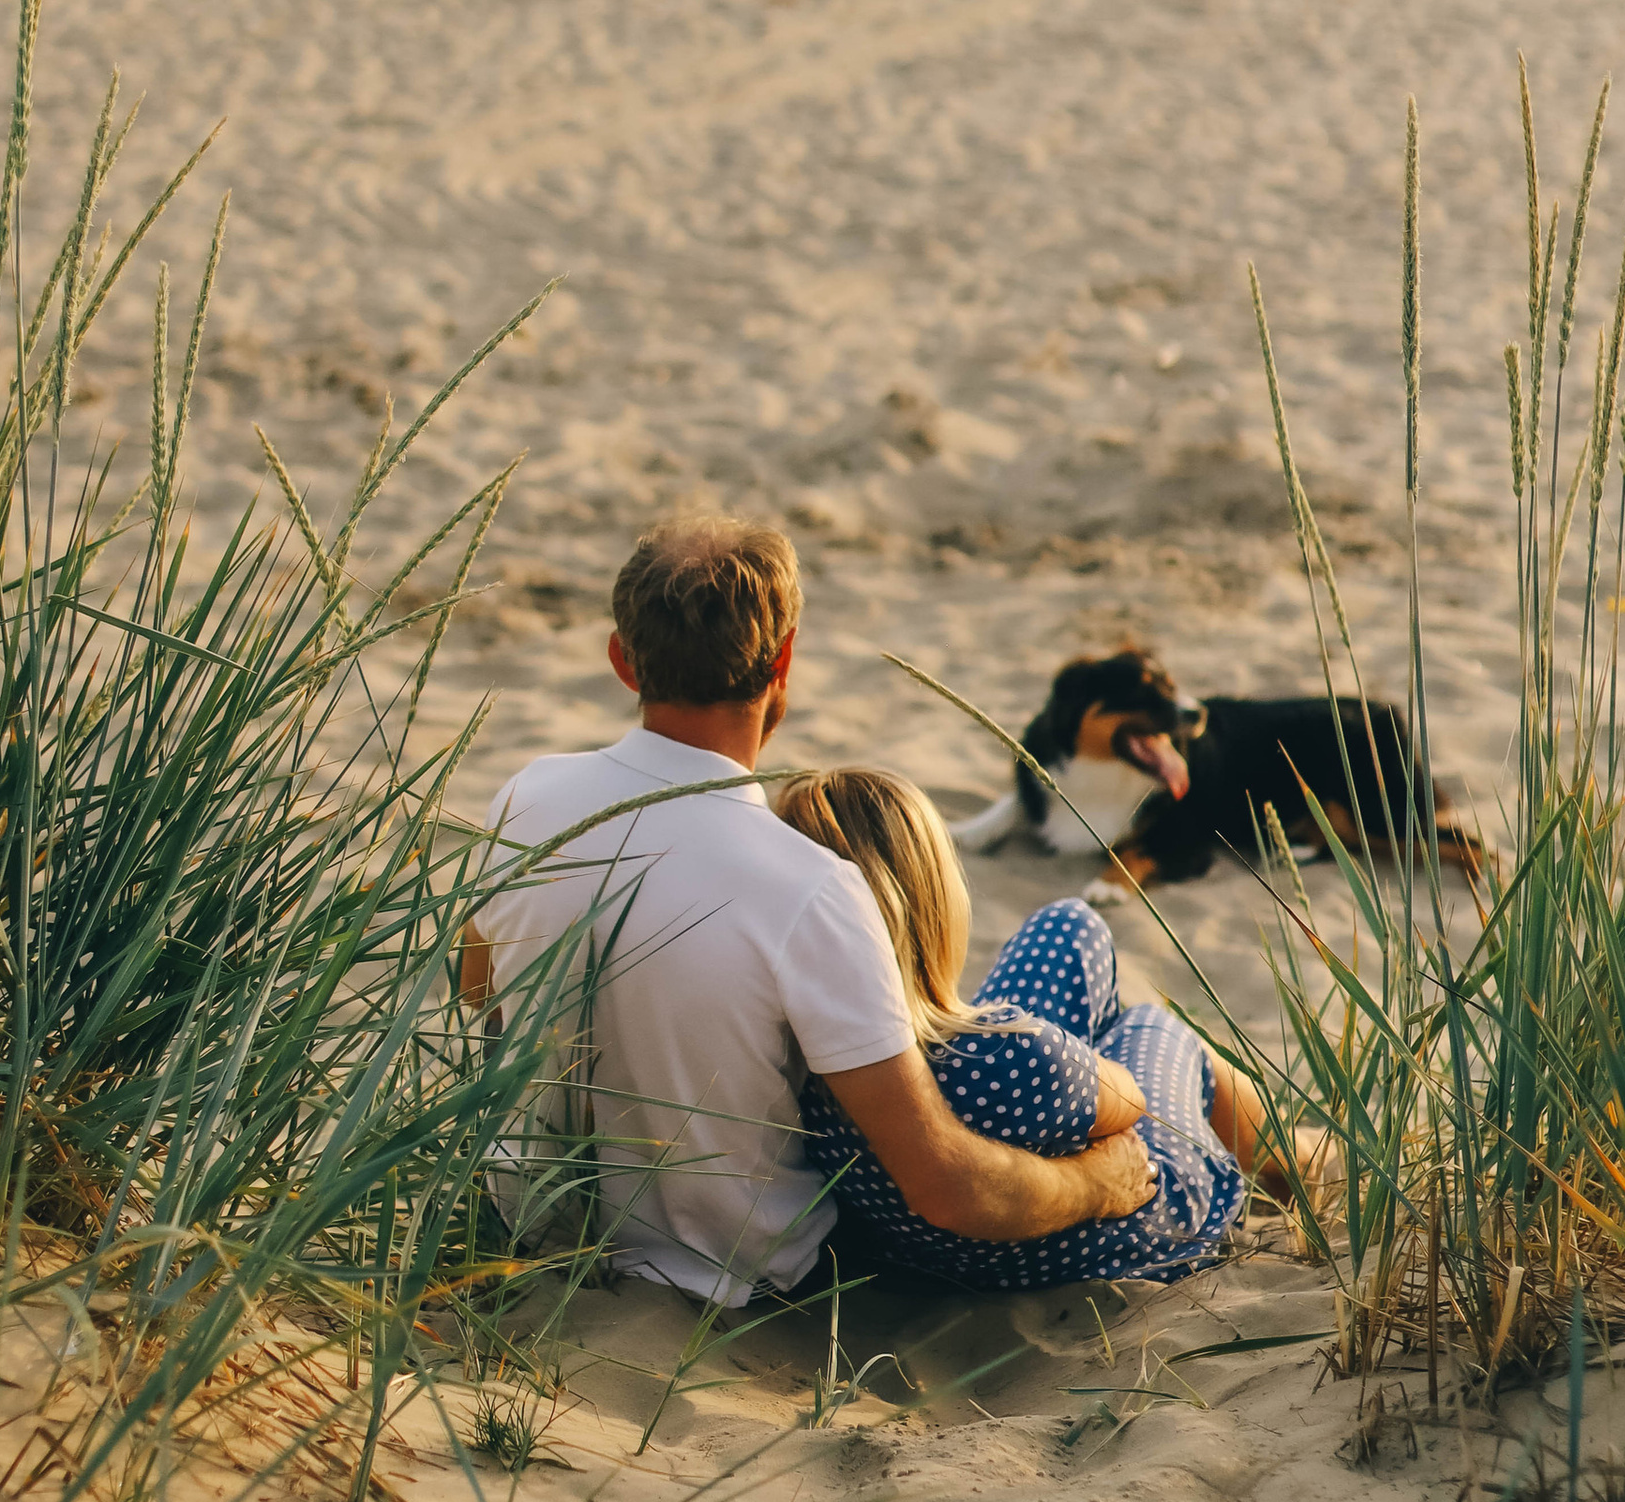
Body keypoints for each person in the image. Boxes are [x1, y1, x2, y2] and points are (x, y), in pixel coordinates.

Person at [459, 516, 1156, 1304]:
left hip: (537, 1238)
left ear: (623, 660)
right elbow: (943, 1186)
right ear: (784, 659)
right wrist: (1099, 1185)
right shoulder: (811, 888)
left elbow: (479, 991)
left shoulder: (525, 799)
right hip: (749, 1281)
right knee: (1132, 1025)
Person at [776, 764, 1299, 1288]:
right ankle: (1294, 1165)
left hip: (911, 1242)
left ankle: (1288, 1150)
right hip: (1134, 1228)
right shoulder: (1008, 1052)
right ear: (931, 898)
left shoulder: (797, 1054)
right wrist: (1067, 1061)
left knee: (1070, 924)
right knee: (1151, 1028)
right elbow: (1131, 1097)